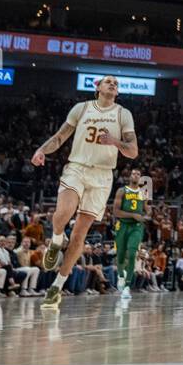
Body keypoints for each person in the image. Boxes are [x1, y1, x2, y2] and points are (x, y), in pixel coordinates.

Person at [31, 75, 138, 310]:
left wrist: (114, 141)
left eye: (116, 84)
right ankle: (57, 239)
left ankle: (56, 287)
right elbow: (60, 137)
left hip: (102, 177)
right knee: (63, 213)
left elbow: (132, 151)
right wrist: (41, 149)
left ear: (117, 93)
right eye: (108, 81)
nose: (113, 84)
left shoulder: (123, 114)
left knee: (80, 234)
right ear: (97, 87)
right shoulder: (81, 108)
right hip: (77, 168)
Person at [111, 168, 148, 301]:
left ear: (140, 178)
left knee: (132, 254)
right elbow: (115, 212)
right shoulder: (122, 191)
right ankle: (121, 275)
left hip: (136, 227)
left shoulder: (143, 193)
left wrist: (146, 217)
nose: (136, 176)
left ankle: (127, 287)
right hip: (122, 225)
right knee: (120, 255)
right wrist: (133, 215)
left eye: (138, 174)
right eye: (134, 173)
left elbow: (148, 211)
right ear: (129, 176)